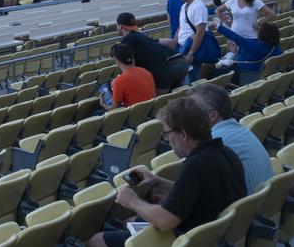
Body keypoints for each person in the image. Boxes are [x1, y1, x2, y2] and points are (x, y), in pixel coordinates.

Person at [87, 98, 246, 247]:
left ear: (183, 134)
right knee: (130, 221)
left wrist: (132, 201)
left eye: (166, 133)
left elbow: (164, 221)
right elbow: (195, 192)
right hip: (209, 235)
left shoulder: (196, 165)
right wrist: (157, 181)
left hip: (186, 239)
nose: (166, 140)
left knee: (96, 240)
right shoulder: (226, 153)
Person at [188, 83, 273, 193]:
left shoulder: (213, 143)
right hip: (263, 201)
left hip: (247, 202)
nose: (186, 115)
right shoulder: (241, 130)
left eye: (191, 111)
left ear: (212, 115)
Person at [166, 0, 218, 81]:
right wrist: (175, 41)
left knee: (190, 80)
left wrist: (191, 53)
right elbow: (182, 25)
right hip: (183, 47)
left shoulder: (198, 7)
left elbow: (200, 32)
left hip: (191, 48)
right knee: (185, 78)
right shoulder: (184, 6)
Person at [116, 13, 179, 92]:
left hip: (155, 86)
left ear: (120, 27)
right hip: (165, 82)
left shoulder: (126, 42)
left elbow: (128, 69)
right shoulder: (142, 36)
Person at [210, 20, 281, 73]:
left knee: (212, 71)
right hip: (256, 69)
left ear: (263, 34)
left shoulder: (256, 46)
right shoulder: (276, 46)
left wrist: (217, 26)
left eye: (260, 30)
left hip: (244, 73)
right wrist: (235, 53)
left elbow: (235, 37)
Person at [100, 44, 155, 111]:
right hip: (150, 111)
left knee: (97, 113)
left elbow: (113, 109)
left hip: (134, 114)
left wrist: (103, 104)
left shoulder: (119, 81)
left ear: (117, 61)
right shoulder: (147, 72)